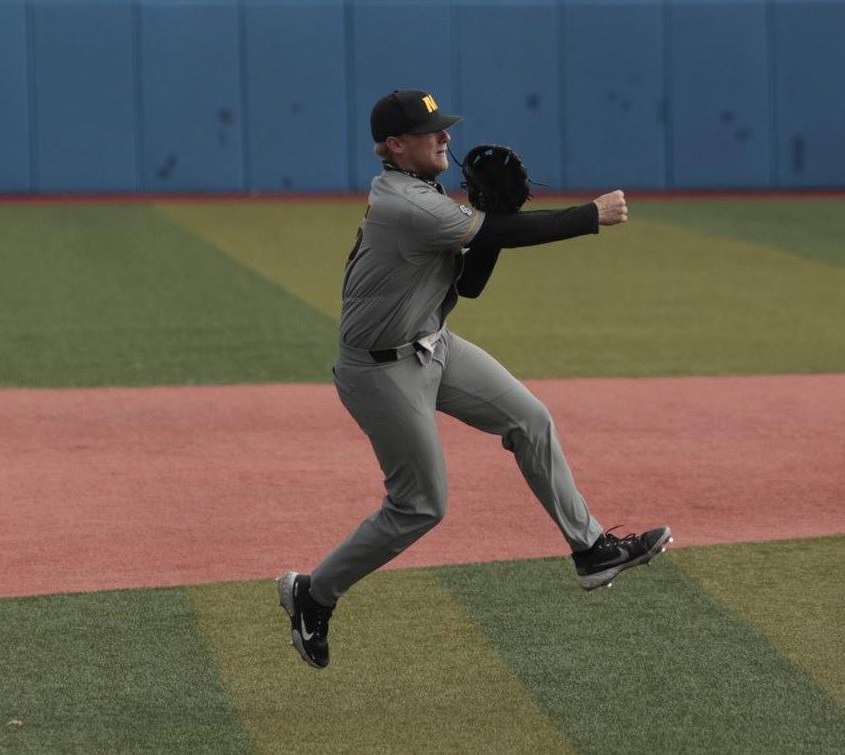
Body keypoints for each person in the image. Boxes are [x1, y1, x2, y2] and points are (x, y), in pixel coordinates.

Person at [277, 89, 672, 670]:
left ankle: (591, 550)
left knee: (530, 419)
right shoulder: (405, 204)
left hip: (433, 344)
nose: (445, 137)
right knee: (420, 505)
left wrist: (492, 212)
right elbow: (500, 237)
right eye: (431, 131)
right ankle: (313, 594)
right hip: (380, 371)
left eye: (444, 127)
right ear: (395, 145)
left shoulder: (427, 192)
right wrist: (589, 215)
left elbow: (469, 285)